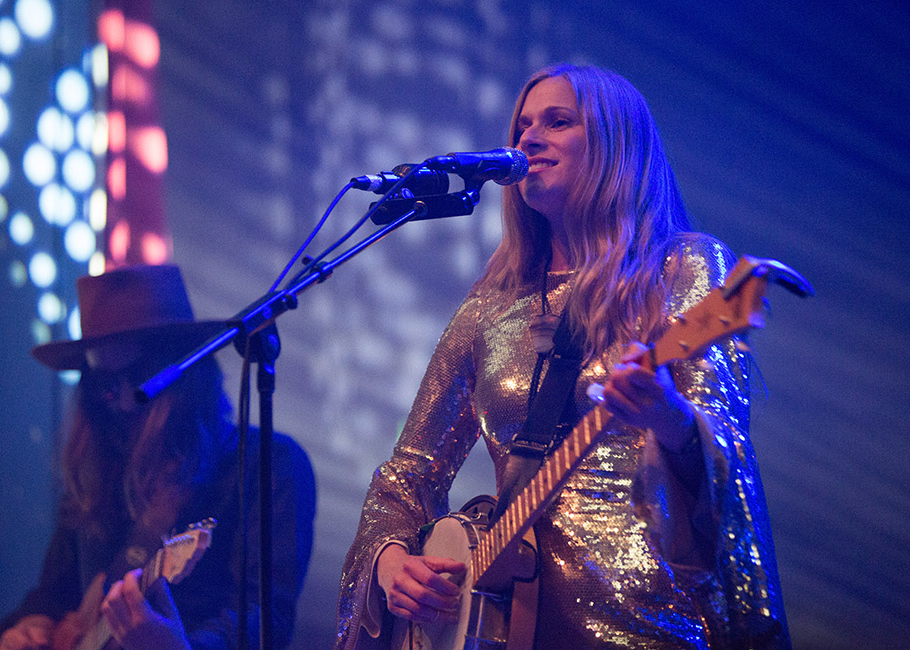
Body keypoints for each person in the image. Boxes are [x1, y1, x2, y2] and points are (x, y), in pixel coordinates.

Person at [336, 63, 790, 649]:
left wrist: (668, 416)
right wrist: (391, 562)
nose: (527, 137)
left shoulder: (684, 268)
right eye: (522, 124)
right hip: (510, 624)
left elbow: (727, 444)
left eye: (557, 121)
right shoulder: (489, 307)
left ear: (615, 145)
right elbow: (408, 474)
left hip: (649, 621)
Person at [0, 264, 315, 650]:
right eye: (102, 384)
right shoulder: (96, 475)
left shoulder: (267, 465)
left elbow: (264, 622)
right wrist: (26, 628)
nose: (118, 401)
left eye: (135, 379)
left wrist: (176, 646)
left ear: (183, 376)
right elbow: (54, 592)